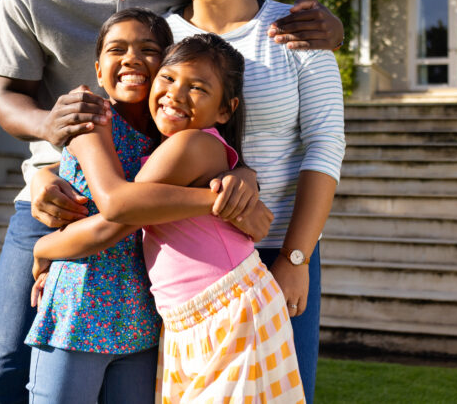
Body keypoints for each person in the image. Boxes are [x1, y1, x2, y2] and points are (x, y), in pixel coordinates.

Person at [0, 0, 344, 403]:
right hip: (109, 216)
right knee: (8, 371)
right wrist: (52, 154)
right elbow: (33, 105)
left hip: (225, 235)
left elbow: (312, 142)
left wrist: (281, 237)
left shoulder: (241, 19)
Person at [66, 0, 344, 403]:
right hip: (182, 265)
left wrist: (296, 258)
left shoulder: (297, 30)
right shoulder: (162, 41)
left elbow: (325, 145)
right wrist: (44, 175)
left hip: (279, 248)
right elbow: (127, 130)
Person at [35, 32, 304, 402]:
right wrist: (42, 173)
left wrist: (43, 248)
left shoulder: (189, 145)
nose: (176, 94)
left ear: (226, 109)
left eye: (197, 88)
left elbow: (117, 209)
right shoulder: (167, 149)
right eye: (168, 77)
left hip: (227, 310)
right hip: (190, 317)